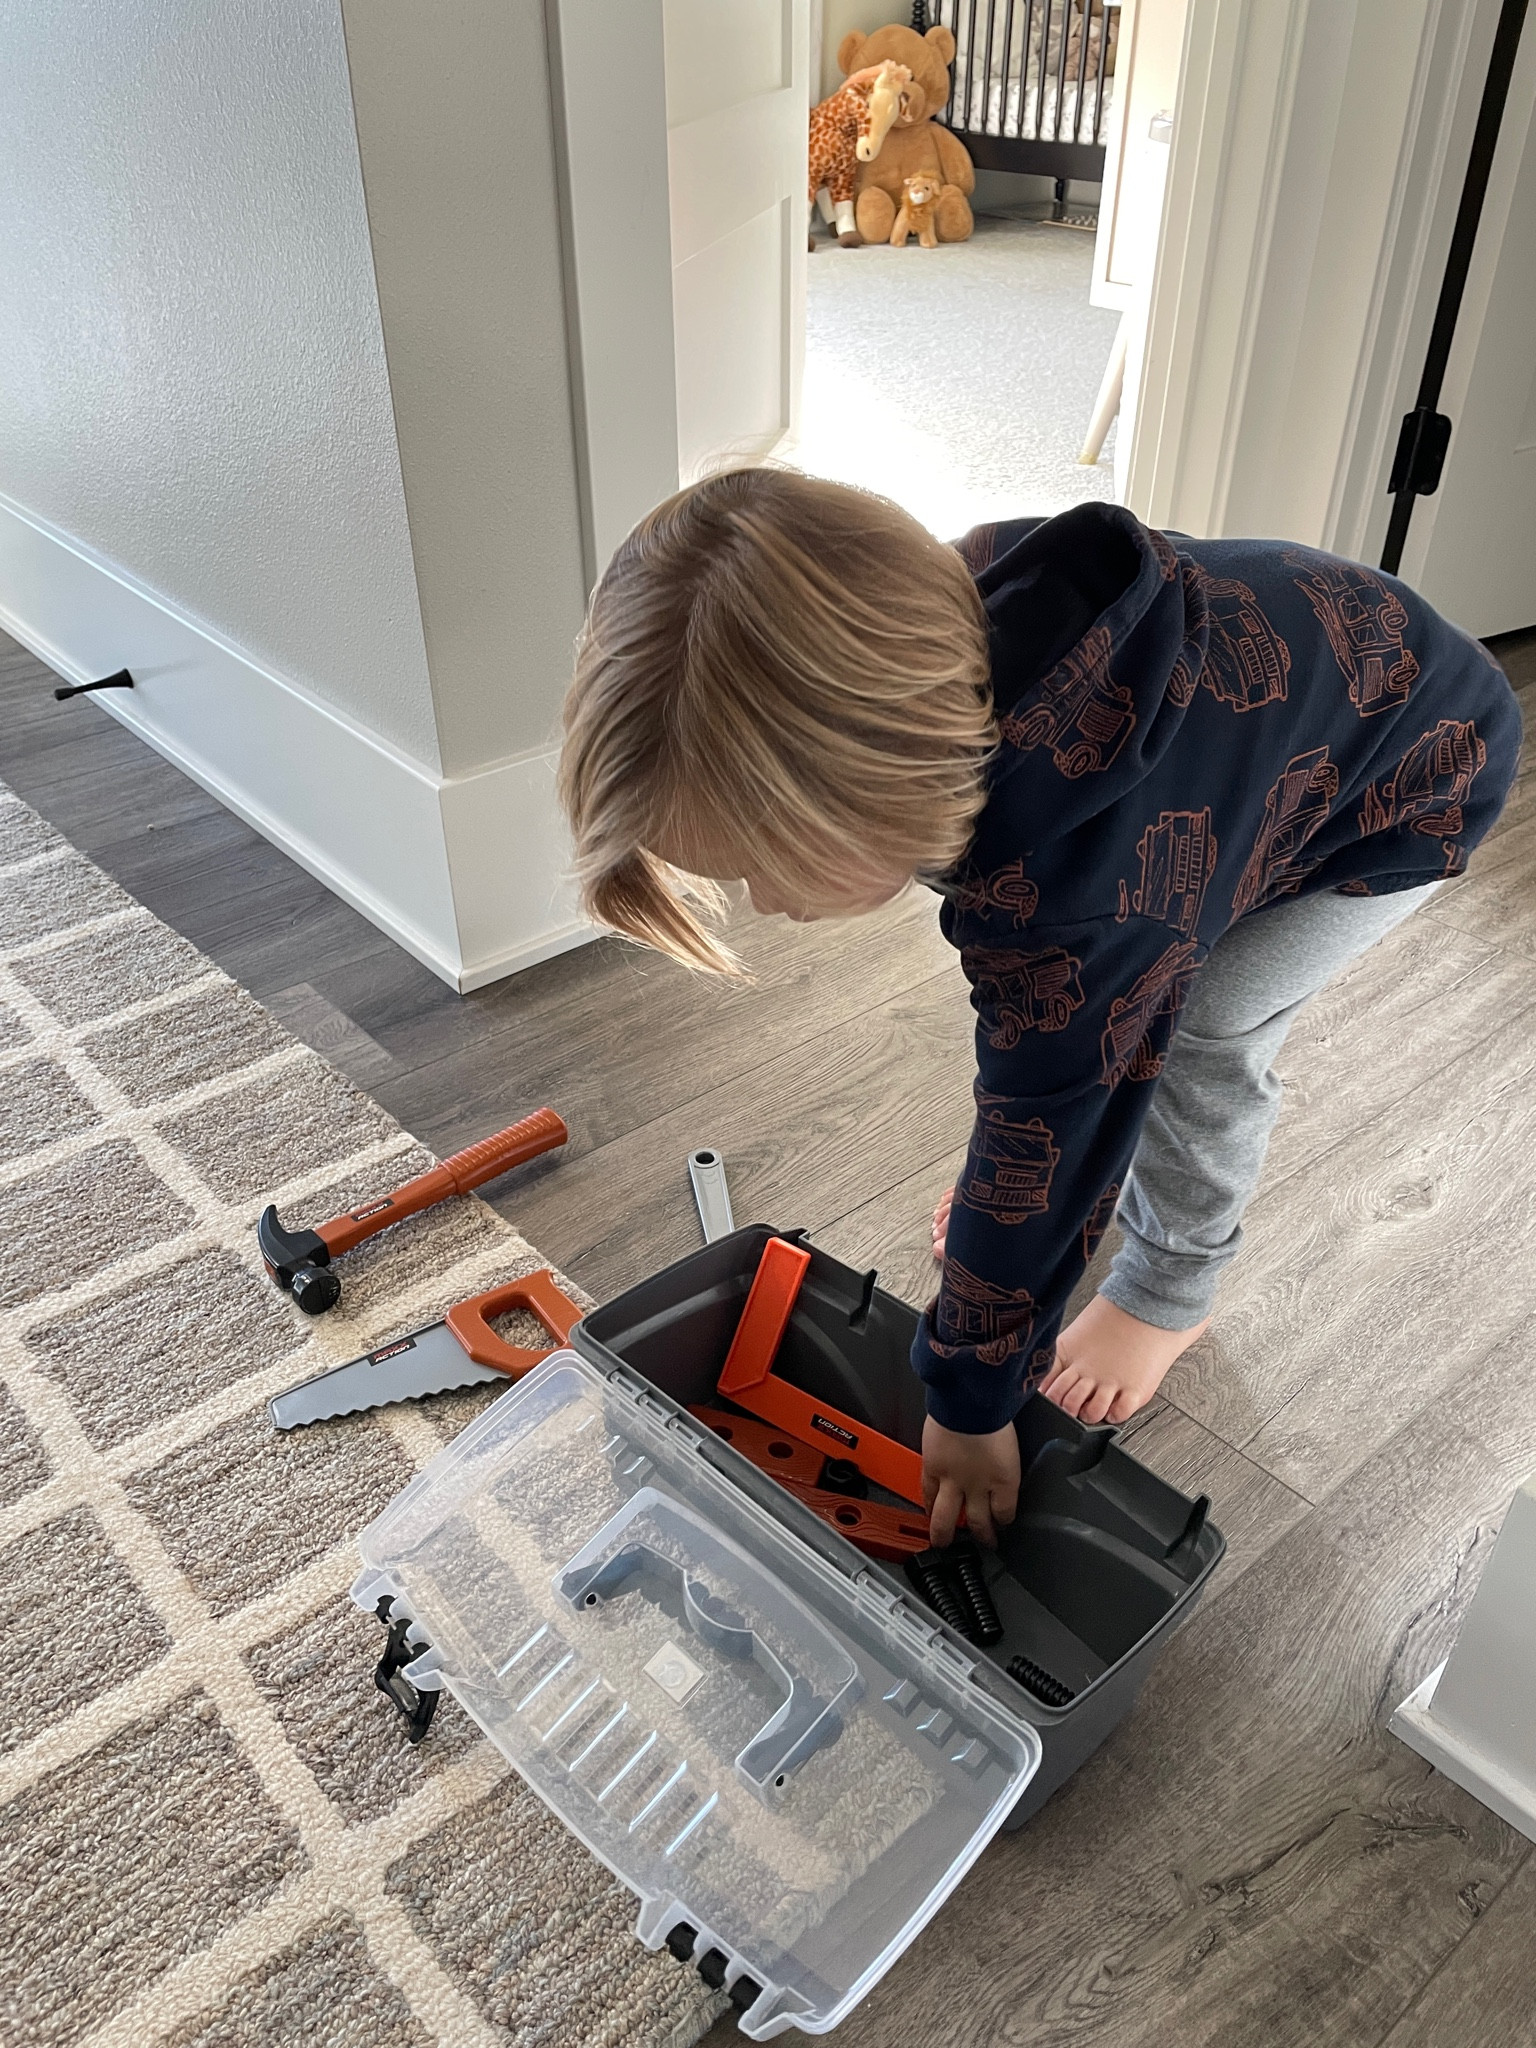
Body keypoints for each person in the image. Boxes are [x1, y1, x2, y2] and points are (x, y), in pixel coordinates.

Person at [557, 468, 1521, 1548]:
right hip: (1298, 710)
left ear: (894, 782)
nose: (768, 906)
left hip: (1408, 776)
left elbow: (1056, 1118)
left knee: (1199, 1024)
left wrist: (972, 1398)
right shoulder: (941, 628)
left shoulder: (1078, 900)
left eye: (762, 869)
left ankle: (1170, 1283)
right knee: (1096, 1027)